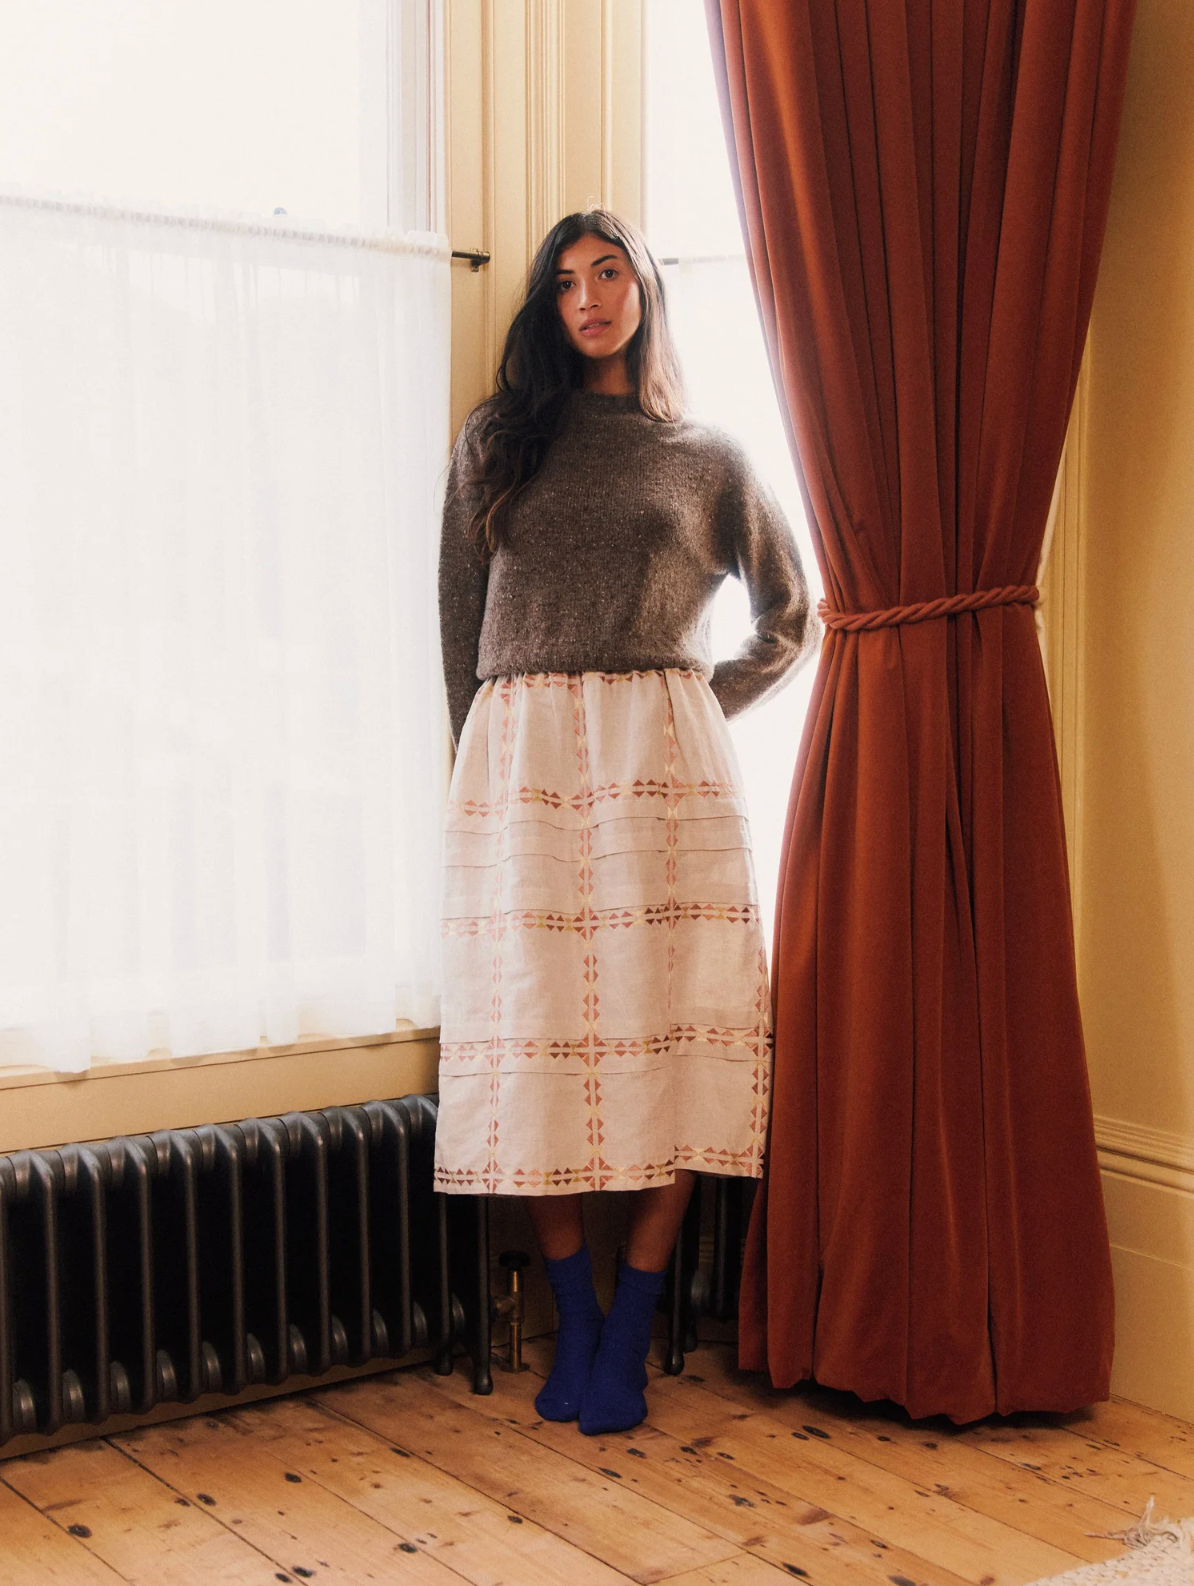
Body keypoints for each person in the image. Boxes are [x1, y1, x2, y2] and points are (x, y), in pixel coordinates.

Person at [436, 208, 817, 1435]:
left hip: (665, 770)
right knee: (533, 1036)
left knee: (681, 1033)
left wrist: (703, 702)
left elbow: (792, 612)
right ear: (545, 308)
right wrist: (477, 772)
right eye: (564, 282)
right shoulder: (498, 444)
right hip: (527, 764)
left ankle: (634, 1308)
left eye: (610, 274)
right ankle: (579, 1318)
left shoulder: (707, 455)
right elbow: (459, 626)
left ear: (647, 290)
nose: (589, 298)